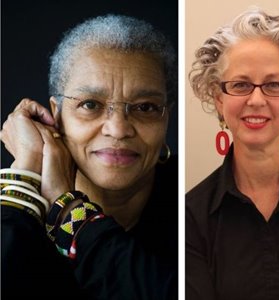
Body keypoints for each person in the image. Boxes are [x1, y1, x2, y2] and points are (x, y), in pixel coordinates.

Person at [1, 15, 178, 299]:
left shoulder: (201, 206)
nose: (118, 129)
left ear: (166, 118)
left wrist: (68, 212)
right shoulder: (14, 217)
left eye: (145, 107)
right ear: (55, 116)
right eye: (90, 104)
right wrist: (26, 170)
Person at [186, 8, 279, 300]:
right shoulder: (192, 218)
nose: (256, 100)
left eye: (273, 85)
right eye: (241, 85)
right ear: (219, 98)